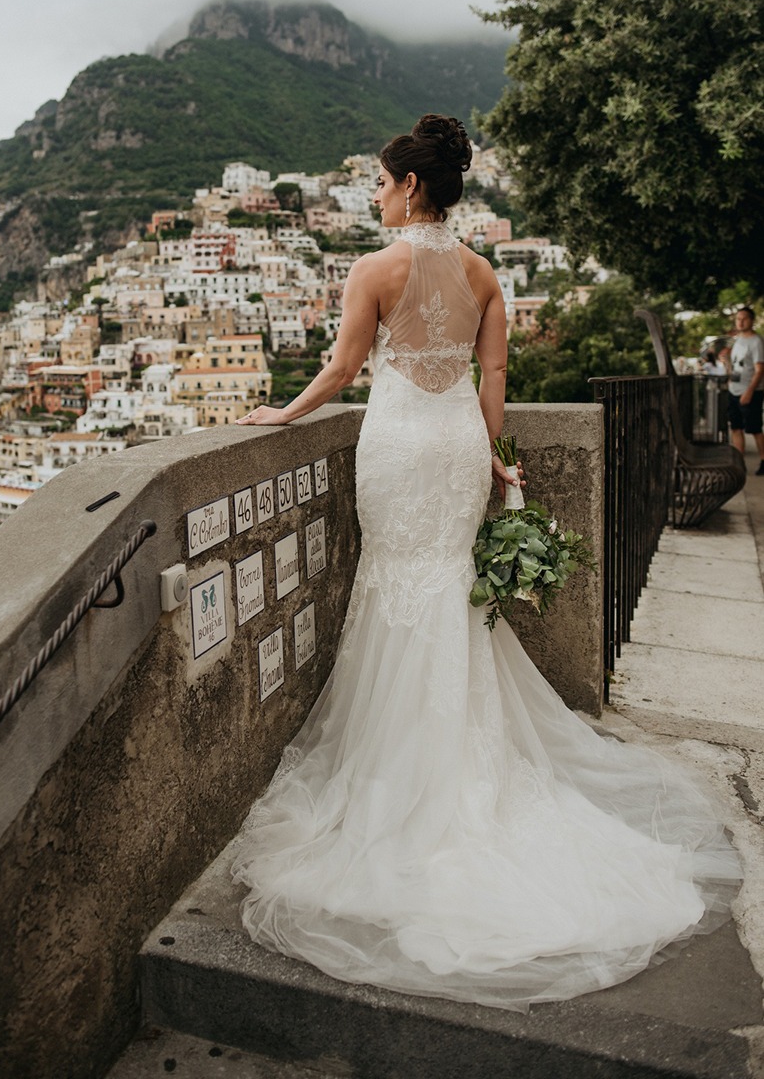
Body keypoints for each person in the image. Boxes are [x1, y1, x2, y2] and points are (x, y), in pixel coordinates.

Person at [233, 115, 741, 1011]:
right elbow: (492, 382)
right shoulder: (482, 273)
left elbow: (347, 367)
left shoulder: (372, 269)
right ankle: (468, 770)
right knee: (449, 596)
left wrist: (281, 415)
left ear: (414, 187)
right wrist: (491, 455)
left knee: (398, 588)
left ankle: (409, 782)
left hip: (396, 451)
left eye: (384, 184)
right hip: (458, 450)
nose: (378, 196)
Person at [725, 307, 764, 475]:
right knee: (736, 427)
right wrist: (725, 360)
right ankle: (739, 463)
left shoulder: (756, 341)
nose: (740, 322)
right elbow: (735, 368)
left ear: (751, 321)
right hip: (734, 390)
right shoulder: (737, 340)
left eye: (744, 319)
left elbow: (760, 370)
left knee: (755, 428)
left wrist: (749, 392)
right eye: (737, 319)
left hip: (751, 392)